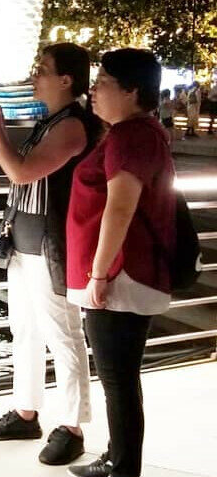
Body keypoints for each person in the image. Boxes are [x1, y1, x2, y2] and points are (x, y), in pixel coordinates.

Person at [0, 43, 99, 466]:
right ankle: (26, 412)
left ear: (66, 80)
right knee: (25, 329)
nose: (35, 76)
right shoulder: (51, 122)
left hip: (52, 245)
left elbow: (21, 171)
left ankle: (72, 427)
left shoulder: (72, 127)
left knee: (63, 334)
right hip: (25, 241)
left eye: (42, 70)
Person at [65, 49, 175, 477]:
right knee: (119, 378)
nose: (93, 90)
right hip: (124, 271)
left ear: (131, 90)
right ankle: (117, 457)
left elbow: (120, 208)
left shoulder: (132, 136)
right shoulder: (134, 133)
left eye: (103, 83)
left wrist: (99, 274)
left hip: (122, 274)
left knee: (118, 379)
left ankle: (124, 467)